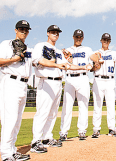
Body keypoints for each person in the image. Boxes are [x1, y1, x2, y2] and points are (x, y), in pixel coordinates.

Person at [31, 25, 86, 153]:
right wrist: (57, 65)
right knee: (42, 112)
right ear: (47, 33)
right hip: (46, 81)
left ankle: (46, 137)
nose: (55, 34)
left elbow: (68, 66)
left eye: (57, 32)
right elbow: (40, 61)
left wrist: (84, 67)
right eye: (53, 32)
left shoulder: (58, 52)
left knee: (53, 113)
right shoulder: (41, 46)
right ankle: (35, 141)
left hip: (58, 83)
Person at [0, 20, 32, 161]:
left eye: (26, 29)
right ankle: (6, 154)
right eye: (21, 29)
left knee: (17, 121)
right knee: (10, 119)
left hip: (23, 85)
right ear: (15, 30)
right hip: (11, 82)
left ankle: (12, 150)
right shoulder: (6, 44)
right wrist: (14, 59)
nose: (23, 31)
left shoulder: (28, 48)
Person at [59, 29, 93, 141]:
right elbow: (62, 64)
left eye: (80, 37)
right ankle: (63, 132)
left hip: (83, 78)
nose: (78, 38)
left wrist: (95, 60)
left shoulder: (87, 49)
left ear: (83, 38)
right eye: (77, 36)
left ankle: (82, 131)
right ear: (73, 37)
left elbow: (95, 59)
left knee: (83, 105)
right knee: (67, 106)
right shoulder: (67, 50)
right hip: (70, 78)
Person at [90, 33, 116, 138]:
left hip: (110, 80)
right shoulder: (96, 53)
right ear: (101, 40)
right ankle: (96, 130)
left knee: (111, 105)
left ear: (110, 41)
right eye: (104, 39)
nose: (106, 41)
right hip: (98, 79)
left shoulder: (113, 53)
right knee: (97, 105)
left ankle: (112, 128)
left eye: (108, 40)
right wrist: (96, 65)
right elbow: (92, 69)